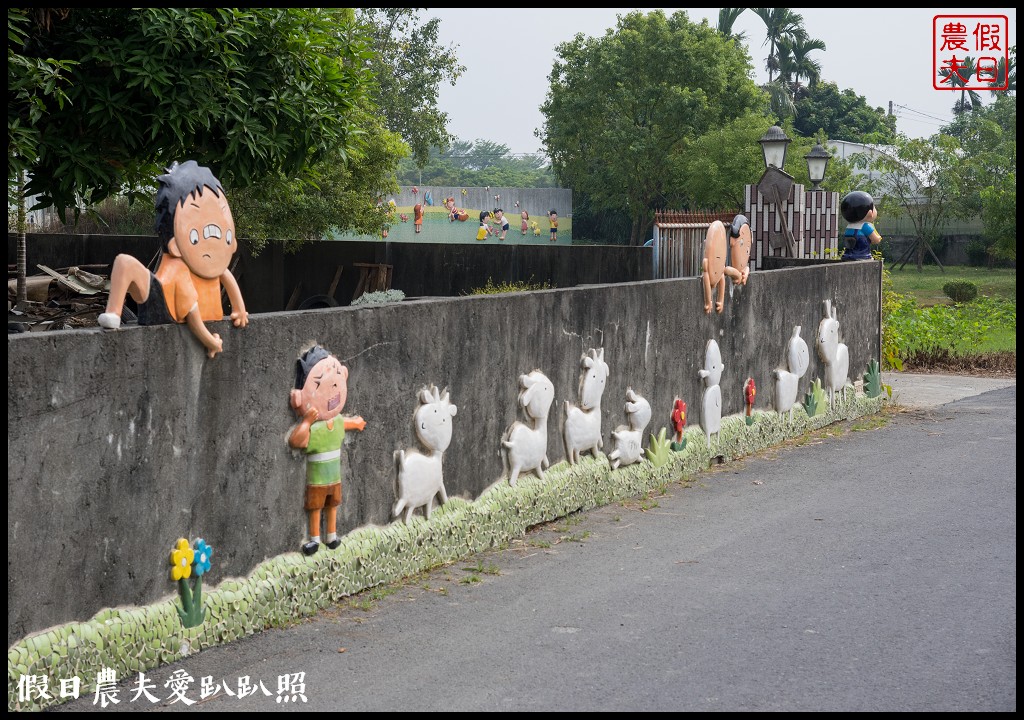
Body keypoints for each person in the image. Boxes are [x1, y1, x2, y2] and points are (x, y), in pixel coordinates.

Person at [97, 160, 248, 359]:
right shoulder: (179, 271)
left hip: (172, 305)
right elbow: (193, 317)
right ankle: (113, 314)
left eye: (226, 236)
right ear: (175, 244)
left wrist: (240, 310)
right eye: (195, 236)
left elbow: (225, 276)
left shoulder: (211, 268)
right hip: (164, 305)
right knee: (125, 263)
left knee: (125, 263)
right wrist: (212, 342)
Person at [288, 345, 367, 556]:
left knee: (332, 505)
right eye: (322, 383)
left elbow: (345, 423)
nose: (333, 387)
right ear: (298, 397)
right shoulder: (314, 427)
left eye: (337, 378)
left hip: (334, 477)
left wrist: (357, 423)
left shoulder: (336, 422)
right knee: (315, 507)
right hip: (317, 479)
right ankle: (314, 538)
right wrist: (305, 422)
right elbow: (296, 441)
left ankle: (331, 535)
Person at [840, 190, 883, 261]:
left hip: (848, 255)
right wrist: (878, 237)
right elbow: (875, 240)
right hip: (862, 255)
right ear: (870, 213)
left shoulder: (849, 226)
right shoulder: (865, 226)